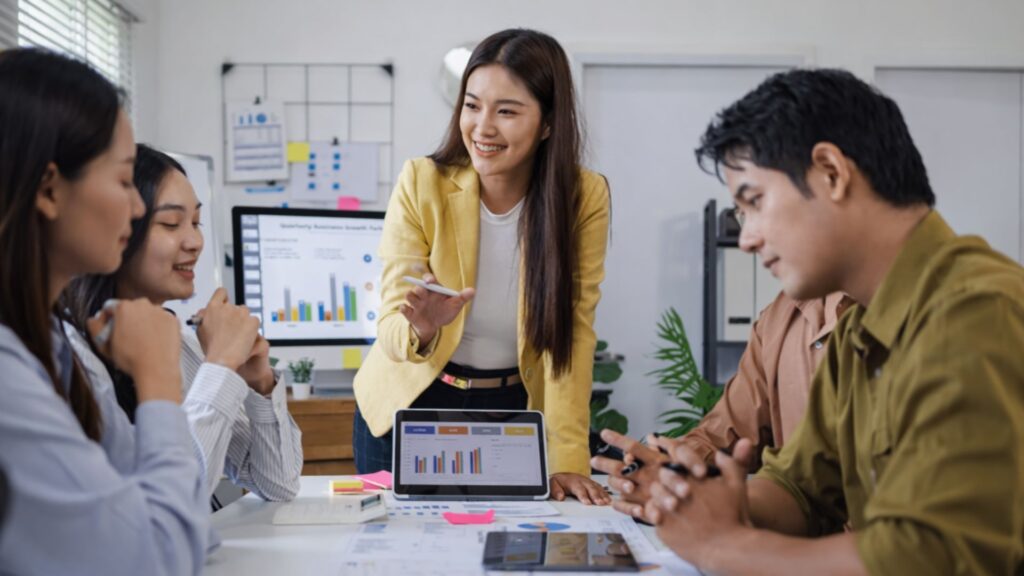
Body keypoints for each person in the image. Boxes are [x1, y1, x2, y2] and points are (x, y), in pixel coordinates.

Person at [606, 68, 1024, 574]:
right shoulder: (857, 335)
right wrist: (714, 501)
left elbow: (927, 554)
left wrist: (722, 546)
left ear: (830, 171)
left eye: (754, 202)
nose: (747, 239)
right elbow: (799, 487)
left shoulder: (976, 309)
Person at [353, 28, 611, 505]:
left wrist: (569, 460)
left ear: (548, 123)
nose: (483, 128)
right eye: (472, 106)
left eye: (507, 111)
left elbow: (571, 333)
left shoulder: (582, 198)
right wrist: (421, 330)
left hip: (513, 409)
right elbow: (390, 325)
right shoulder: (422, 181)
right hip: (413, 403)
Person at [0, 47, 208, 574]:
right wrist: (160, 380)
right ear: (49, 189)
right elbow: (157, 555)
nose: (135, 209)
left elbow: (166, 517)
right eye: (121, 181)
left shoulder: (48, 342)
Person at [62, 144, 303, 501]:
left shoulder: (175, 335)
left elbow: (278, 485)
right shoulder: (70, 351)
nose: (195, 242)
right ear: (116, 232)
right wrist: (220, 364)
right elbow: (168, 501)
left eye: (196, 222)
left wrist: (260, 383)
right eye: (171, 224)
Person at [594, 290, 852, 514]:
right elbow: (726, 432)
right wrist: (671, 471)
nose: (749, 241)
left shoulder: (882, 321)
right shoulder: (779, 317)